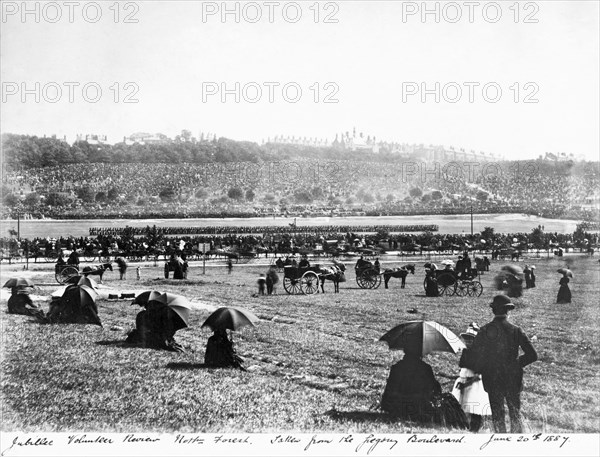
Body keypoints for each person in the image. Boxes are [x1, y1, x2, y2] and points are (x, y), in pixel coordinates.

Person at [471, 295, 538, 433]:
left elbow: (474, 357)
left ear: (493, 310)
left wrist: (485, 366)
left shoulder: (483, 331)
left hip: (492, 378)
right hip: (512, 378)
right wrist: (516, 364)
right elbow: (533, 355)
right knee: (515, 414)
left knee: (497, 415)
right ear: (508, 311)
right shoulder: (516, 330)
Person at [381, 343, 442, 422]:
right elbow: (434, 389)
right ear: (421, 353)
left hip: (398, 407)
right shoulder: (426, 368)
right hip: (419, 408)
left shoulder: (396, 367)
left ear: (405, 351)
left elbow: (389, 390)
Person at [452, 323, 490, 432]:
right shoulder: (465, 351)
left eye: (471, 339)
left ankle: (474, 429)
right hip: (464, 380)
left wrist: (466, 384)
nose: (468, 341)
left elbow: (478, 375)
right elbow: (463, 367)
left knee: (473, 408)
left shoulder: (480, 353)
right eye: (467, 339)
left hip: (473, 384)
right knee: (460, 406)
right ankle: (463, 427)